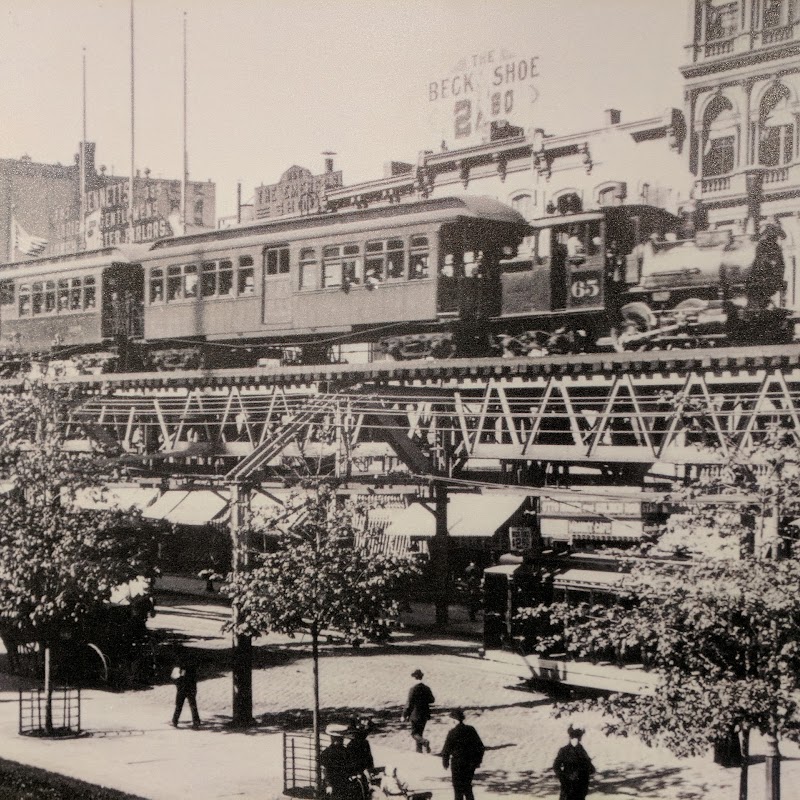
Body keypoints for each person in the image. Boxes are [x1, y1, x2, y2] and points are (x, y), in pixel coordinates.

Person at [441, 709, 485, 800]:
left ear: (454, 720)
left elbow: (446, 750)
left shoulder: (452, 733)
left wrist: (445, 762)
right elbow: (480, 747)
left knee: (457, 789)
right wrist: (477, 761)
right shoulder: (471, 730)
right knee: (467, 787)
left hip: (457, 764)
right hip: (470, 764)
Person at [746, 222, 786, 311]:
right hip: (760, 276)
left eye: (775, 236)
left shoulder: (776, 247)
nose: (774, 238)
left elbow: (781, 263)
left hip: (769, 278)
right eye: (772, 236)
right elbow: (759, 259)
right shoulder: (761, 245)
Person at [553, 725, 596, 800]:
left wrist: (584, 772)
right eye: (575, 737)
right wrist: (564, 778)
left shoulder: (581, 751)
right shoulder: (564, 751)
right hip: (568, 787)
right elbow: (556, 766)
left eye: (578, 737)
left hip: (580, 786)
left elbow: (591, 769)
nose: (577, 739)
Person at [403, 668, 435, 753]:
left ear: (414, 678)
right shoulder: (426, 688)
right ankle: (419, 751)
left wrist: (404, 715)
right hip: (424, 714)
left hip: (415, 714)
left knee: (414, 734)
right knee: (420, 733)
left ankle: (424, 742)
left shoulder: (413, 689)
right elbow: (432, 700)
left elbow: (409, 703)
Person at [320, 723, 354, 800]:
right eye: (337, 739)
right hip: (332, 784)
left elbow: (350, 766)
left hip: (345, 784)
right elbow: (325, 770)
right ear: (332, 739)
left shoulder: (346, 752)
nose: (339, 741)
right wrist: (329, 785)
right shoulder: (327, 753)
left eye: (341, 739)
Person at [171, 653, 201, 729]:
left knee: (179, 705)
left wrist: (177, 683)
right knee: (193, 705)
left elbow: (181, 677)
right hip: (191, 688)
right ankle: (196, 722)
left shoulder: (183, 669)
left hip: (183, 688)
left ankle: (175, 720)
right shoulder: (193, 669)